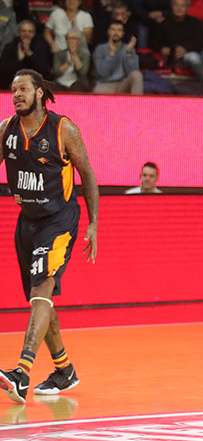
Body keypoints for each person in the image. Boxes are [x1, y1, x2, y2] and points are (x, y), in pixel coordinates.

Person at [0, 69, 99, 404]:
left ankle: (21, 372)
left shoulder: (63, 129)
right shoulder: (6, 130)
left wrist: (93, 223)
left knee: (42, 290)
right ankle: (64, 370)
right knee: (39, 300)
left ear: (40, 93)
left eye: (23, 89)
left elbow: (87, 174)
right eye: (13, 90)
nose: (16, 95)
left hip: (59, 220)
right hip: (26, 221)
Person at [158, 0, 203, 96]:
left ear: (187, 8)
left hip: (195, 53)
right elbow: (154, 42)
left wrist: (186, 50)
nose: (179, 9)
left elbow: (200, 43)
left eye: (182, 6)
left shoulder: (194, 22)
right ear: (172, 7)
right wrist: (163, 49)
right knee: (193, 56)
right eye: (176, 5)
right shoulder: (165, 23)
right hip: (179, 58)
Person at [92, 20, 143, 94]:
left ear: (123, 34)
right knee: (98, 91)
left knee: (137, 75)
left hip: (123, 84)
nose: (116, 33)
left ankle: (137, 101)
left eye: (119, 30)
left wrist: (128, 52)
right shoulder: (100, 49)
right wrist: (111, 54)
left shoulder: (127, 48)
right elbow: (103, 74)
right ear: (109, 31)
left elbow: (133, 71)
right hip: (105, 84)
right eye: (113, 30)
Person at [0, 20, 53, 90]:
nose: (26, 34)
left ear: (34, 33)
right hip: (14, 82)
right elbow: (3, 71)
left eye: (30, 32)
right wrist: (19, 60)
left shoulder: (41, 46)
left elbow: (45, 70)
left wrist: (29, 54)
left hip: (36, 82)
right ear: (19, 33)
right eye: (23, 31)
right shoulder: (10, 47)